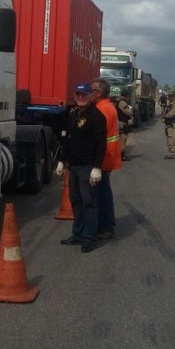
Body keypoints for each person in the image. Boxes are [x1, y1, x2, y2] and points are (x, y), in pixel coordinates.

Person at [56, 82, 106, 253]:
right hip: (74, 166)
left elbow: (101, 144)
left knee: (89, 203)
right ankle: (77, 234)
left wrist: (97, 167)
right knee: (76, 202)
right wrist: (62, 161)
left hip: (87, 166)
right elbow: (68, 139)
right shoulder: (74, 114)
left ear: (91, 96)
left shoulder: (96, 116)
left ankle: (89, 238)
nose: (80, 97)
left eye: (84, 94)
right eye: (78, 94)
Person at [92, 78, 122, 240]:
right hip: (107, 156)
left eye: (92, 89)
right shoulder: (104, 107)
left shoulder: (103, 109)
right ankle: (104, 225)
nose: (89, 92)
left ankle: (106, 227)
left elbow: (97, 137)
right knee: (102, 192)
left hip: (104, 158)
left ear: (98, 93)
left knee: (102, 194)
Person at [111, 89, 134, 161]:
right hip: (122, 122)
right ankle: (122, 155)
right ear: (127, 95)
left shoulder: (116, 101)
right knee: (123, 138)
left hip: (117, 122)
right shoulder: (122, 102)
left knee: (117, 138)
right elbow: (129, 113)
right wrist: (131, 110)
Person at [160, 91, 175, 159]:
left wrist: (164, 116)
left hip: (172, 125)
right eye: (169, 96)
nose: (170, 98)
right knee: (169, 140)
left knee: (172, 140)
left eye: (171, 96)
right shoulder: (170, 104)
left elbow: (172, 114)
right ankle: (171, 153)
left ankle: (172, 154)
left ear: (174, 97)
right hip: (168, 124)